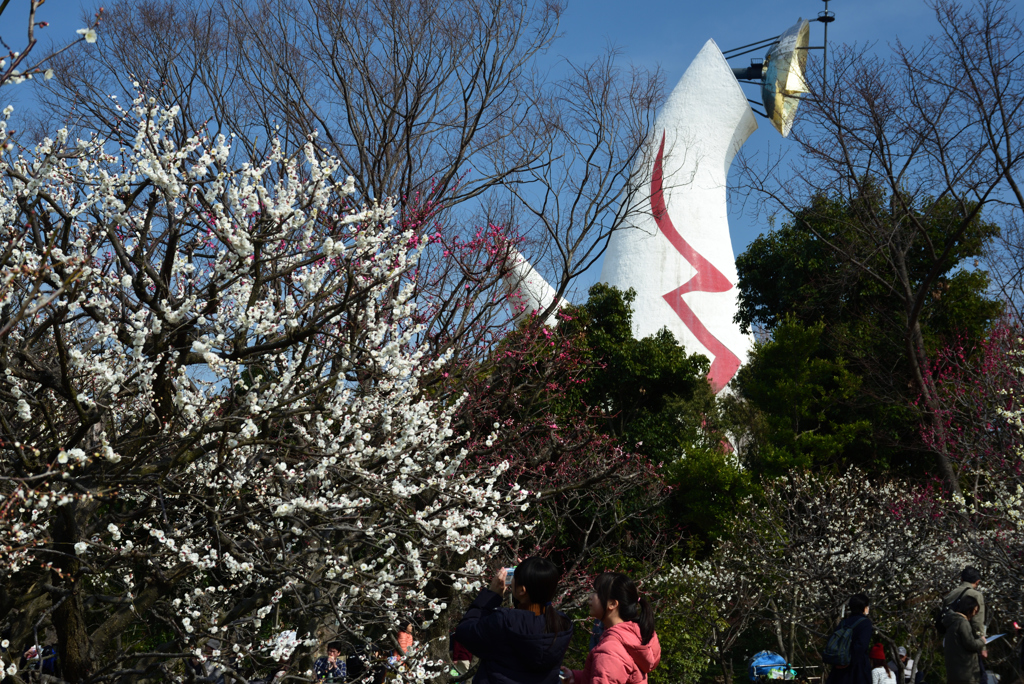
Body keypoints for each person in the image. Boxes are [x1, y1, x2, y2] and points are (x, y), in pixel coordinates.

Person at [455, 556, 574, 684]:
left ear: (522, 590)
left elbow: (464, 632)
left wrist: (491, 595)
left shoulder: (504, 621)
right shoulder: (562, 624)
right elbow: (528, 619)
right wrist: (531, 574)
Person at [561, 572, 661, 684]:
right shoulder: (634, 635)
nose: (590, 597)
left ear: (612, 604)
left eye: (597, 593)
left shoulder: (610, 649)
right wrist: (576, 677)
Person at [826, 594, 874, 684]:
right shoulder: (865, 623)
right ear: (864, 607)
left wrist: (840, 661)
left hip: (839, 667)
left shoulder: (843, 622)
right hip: (857, 669)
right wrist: (849, 661)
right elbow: (861, 645)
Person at [943, 595, 987, 684]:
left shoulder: (951, 621)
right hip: (965, 671)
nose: (974, 614)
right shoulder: (963, 623)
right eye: (975, 611)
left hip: (954, 670)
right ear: (969, 609)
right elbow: (970, 644)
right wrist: (982, 641)